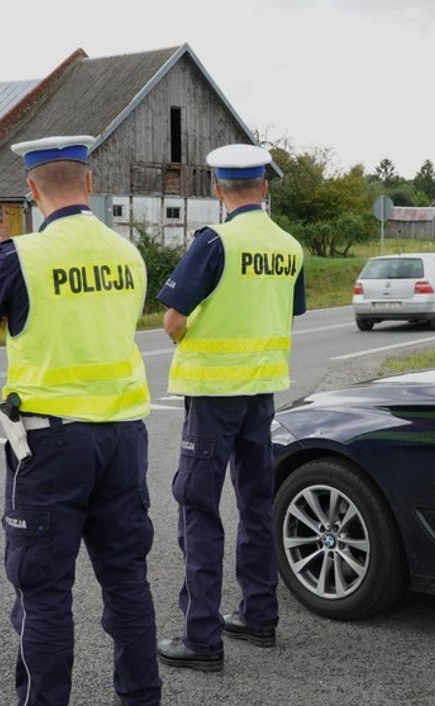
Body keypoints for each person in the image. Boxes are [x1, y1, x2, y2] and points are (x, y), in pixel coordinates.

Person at [0, 135, 161, 706]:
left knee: (42, 588)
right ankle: (143, 696)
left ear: (32, 189)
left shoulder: (22, 253)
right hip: (124, 436)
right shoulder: (129, 253)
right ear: (90, 183)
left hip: (50, 443)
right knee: (125, 572)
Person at [155, 143, 306, 672]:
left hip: (213, 396)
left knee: (198, 508)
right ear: (263, 187)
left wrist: (195, 338)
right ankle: (259, 616)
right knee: (256, 503)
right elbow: (287, 310)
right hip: (262, 392)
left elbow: (173, 320)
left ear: (218, 191)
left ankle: (201, 639)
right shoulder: (289, 246)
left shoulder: (214, 241)